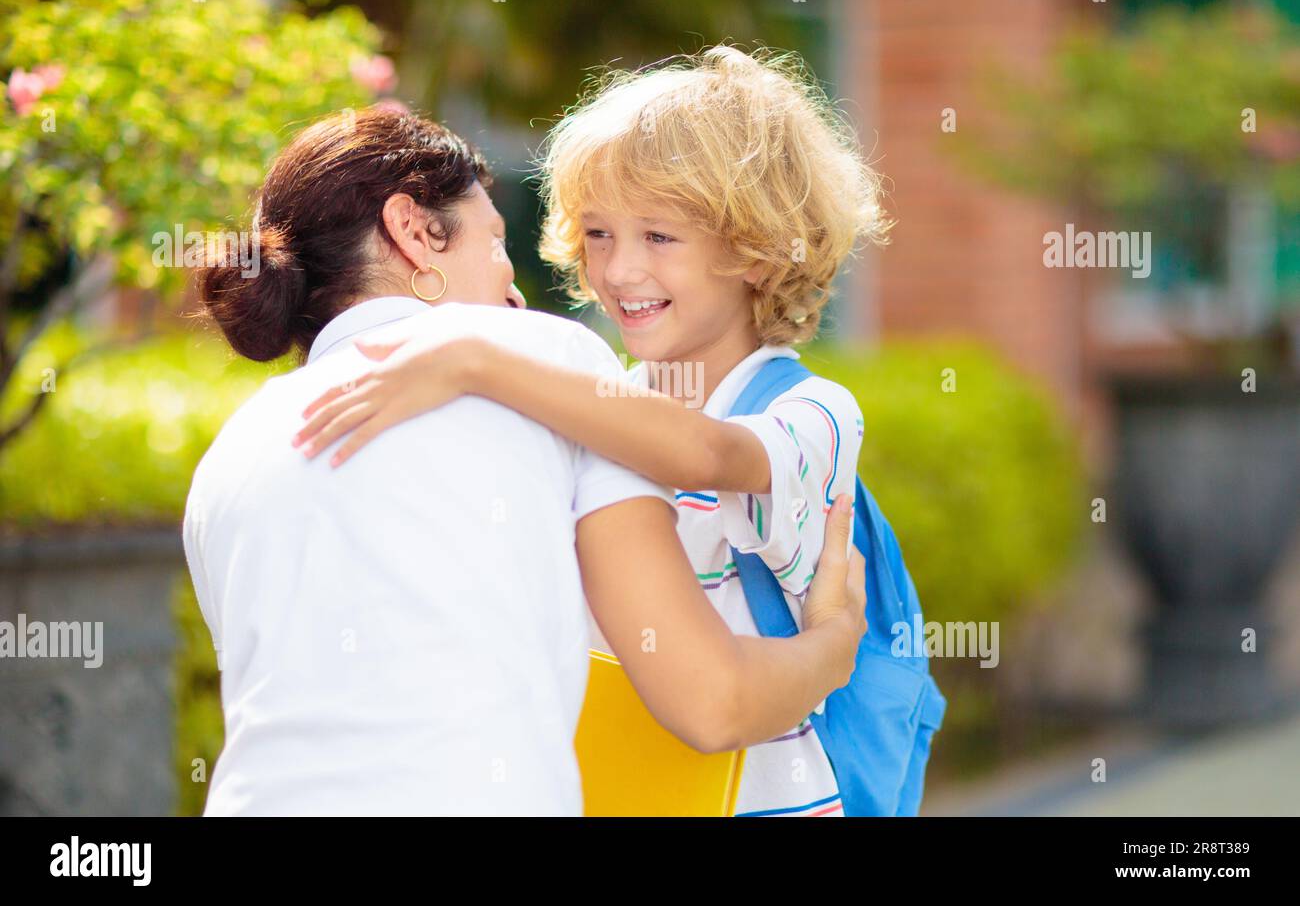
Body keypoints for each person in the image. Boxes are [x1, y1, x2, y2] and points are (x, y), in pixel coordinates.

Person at [184, 104, 866, 815]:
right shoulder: (547, 361)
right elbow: (712, 702)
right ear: (416, 232)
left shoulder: (233, 449)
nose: (511, 285)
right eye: (496, 241)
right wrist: (834, 642)